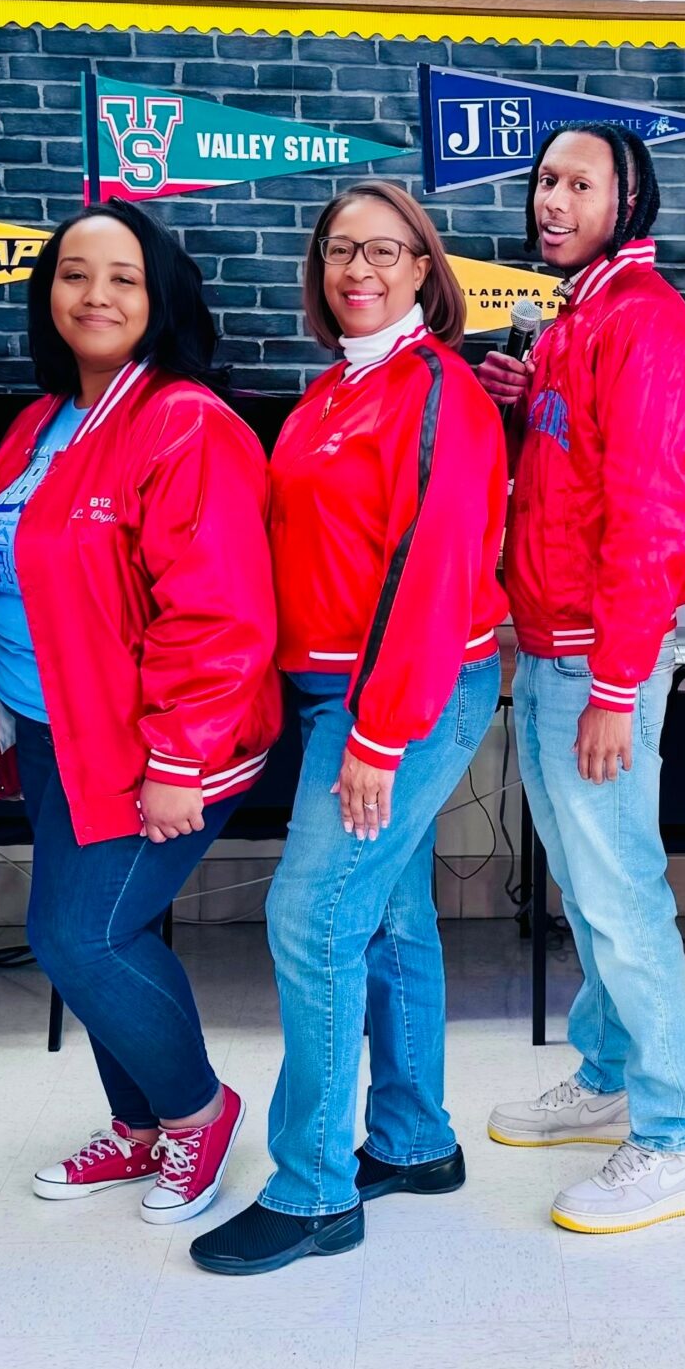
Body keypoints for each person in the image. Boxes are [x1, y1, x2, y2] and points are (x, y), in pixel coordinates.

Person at [190, 180, 506, 1275]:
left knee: (312, 915)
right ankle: (413, 1140)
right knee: (392, 917)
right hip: (340, 689)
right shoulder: (336, 388)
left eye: (383, 251)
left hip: (399, 694)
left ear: (426, 266)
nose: (357, 270)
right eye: (338, 251)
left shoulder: (439, 395)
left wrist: (378, 735)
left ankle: (317, 1186)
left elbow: (433, 573)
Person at [0, 203, 278, 1228]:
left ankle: (199, 1109)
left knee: (80, 937)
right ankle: (139, 1124)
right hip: (56, 727)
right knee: (111, 928)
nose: (94, 295)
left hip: (155, 743)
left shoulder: (186, 421)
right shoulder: (39, 421)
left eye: (123, 278)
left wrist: (179, 756)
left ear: (161, 298)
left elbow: (221, 607)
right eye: (73, 274)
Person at [475, 122, 685, 1234]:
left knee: (620, 895)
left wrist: (622, 683)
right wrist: (533, 396)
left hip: (596, 662)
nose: (552, 200)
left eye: (579, 182)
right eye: (544, 182)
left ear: (632, 196)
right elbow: (578, 477)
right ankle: (610, 1071)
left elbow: (656, 519)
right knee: (588, 885)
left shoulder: (647, 326)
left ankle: (673, 1139)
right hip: (555, 646)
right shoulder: (583, 316)